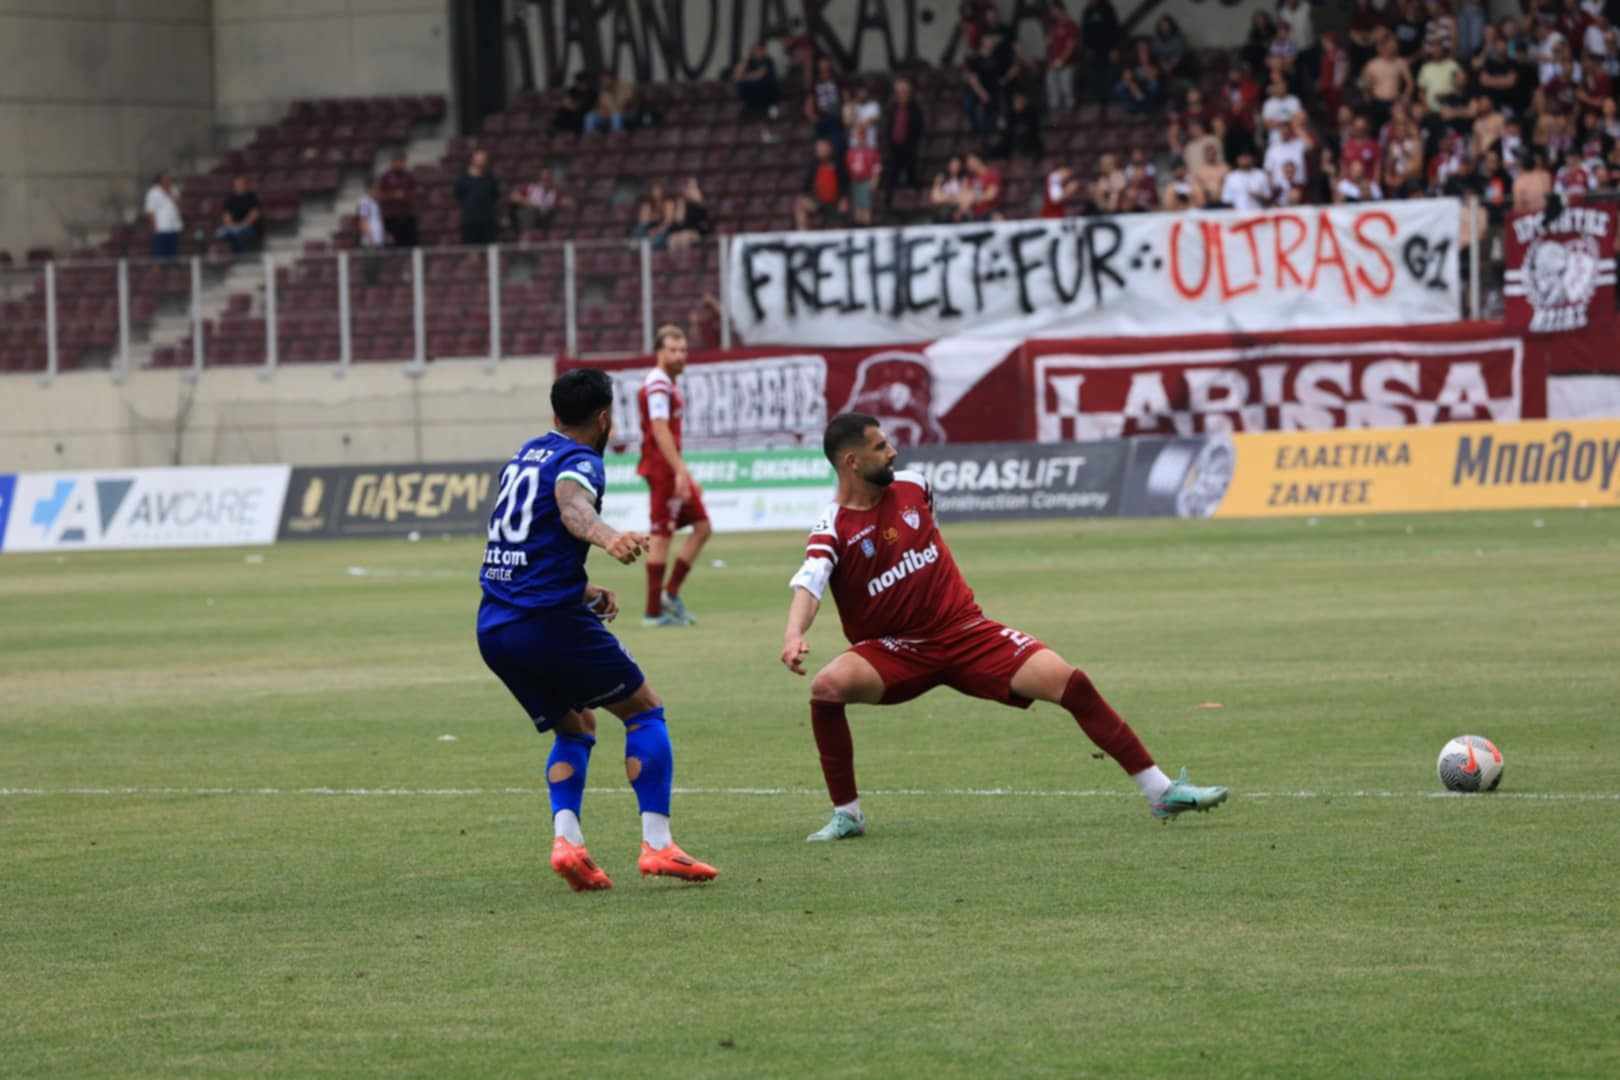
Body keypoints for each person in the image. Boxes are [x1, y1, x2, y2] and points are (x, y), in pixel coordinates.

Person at [779, 414, 1230, 842]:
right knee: (827, 688)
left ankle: (1161, 791)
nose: (893, 451)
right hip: (896, 650)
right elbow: (810, 583)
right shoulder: (833, 526)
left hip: (966, 632)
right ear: (851, 461)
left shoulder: (915, 487)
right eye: (880, 447)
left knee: (1069, 681)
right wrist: (794, 634)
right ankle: (848, 815)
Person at [476, 367, 718, 891]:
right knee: (644, 710)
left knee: (577, 726)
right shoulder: (581, 461)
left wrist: (584, 590)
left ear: (554, 413)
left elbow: (525, 541)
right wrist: (608, 538)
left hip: (495, 626)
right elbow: (572, 506)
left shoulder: (525, 454)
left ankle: (568, 842)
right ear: (605, 418)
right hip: (547, 621)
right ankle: (658, 844)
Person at [638, 325, 713, 628]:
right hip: (662, 469)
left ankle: (669, 594)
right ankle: (653, 612)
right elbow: (659, 429)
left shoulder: (668, 384)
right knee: (661, 536)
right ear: (660, 352)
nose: (680, 356)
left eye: (683, 350)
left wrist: (683, 472)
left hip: (670, 468)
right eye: (673, 350)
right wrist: (680, 471)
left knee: (702, 526)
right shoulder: (658, 384)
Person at [881, 77, 926, 208]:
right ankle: (888, 205)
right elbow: (887, 127)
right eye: (899, 91)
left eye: (904, 91)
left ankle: (917, 203)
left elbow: (919, 129)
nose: (902, 94)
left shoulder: (915, 109)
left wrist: (913, 145)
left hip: (910, 148)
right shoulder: (891, 108)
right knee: (890, 176)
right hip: (893, 148)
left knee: (913, 176)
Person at [796, 138, 850, 230]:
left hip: (835, 202)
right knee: (799, 203)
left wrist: (844, 198)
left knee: (843, 209)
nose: (820, 150)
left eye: (823, 148)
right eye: (818, 148)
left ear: (829, 149)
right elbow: (805, 186)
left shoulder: (838, 165)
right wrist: (805, 197)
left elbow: (845, 184)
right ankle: (803, 233)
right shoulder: (813, 166)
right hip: (819, 202)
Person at [455, 150, 500, 245]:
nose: (481, 161)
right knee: (471, 248)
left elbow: (495, 195)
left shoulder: (490, 178)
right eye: (479, 159)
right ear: (473, 160)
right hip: (470, 220)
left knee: (490, 247)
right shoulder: (462, 179)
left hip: (488, 220)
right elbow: (458, 195)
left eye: (484, 159)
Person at [1044, 2, 1081, 111]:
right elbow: (1049, 45)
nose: (1052, 13)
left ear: (1060, 9)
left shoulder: (1071, 25)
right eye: (1051, 11)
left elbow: (1071, 46)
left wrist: (1061, 60)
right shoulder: (1053, 26)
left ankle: (1070, 112)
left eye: (1054, 10)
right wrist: (1050, 61)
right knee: (1052, 88)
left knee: (1066, 89)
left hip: (1067, 64)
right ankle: (1055, 112)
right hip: (1052, 63)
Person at [377, 155, 418, 248]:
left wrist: (405, 196)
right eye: (396, 162)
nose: (399, 164)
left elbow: (415, 193)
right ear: (392, 163)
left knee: (410, 243)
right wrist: (393, 195)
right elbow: (380, 195)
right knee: (392, 245)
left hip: (407, 215)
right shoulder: (385, 177)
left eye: (401, 162)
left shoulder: (409, 176)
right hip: (390, 217)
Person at [845, 121, 882, 226]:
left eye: (861, 135)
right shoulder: (850, 152)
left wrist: (875, 179)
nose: (858, 138)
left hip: (866, 180)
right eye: (856, 135)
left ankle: (867, 225)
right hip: (854, 181)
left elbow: (877, 166)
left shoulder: (871, 150)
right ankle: (858, 226)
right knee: (857, 206)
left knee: (866, 206)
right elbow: (848, 167)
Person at [734, 42, 782, 120]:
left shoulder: (768, 61)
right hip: (753, 93)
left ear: (764, 51)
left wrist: (743, 77)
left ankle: (772, 110)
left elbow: (758, 75)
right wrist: (745, 58)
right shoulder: (750, 61)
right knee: (740, 85)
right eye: (754, 49)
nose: (756, 52)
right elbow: (736, 76)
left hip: (767, 92)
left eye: (759, 49)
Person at [215, 175, 260, 255]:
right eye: (237, 184)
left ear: (245, 185)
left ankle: (241, 256)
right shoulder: (230, 198)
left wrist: (242, 225)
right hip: (232, 226)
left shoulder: (252, 197)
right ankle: (232, 255)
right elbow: (226, 215)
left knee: (239, 234)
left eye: (241, 184)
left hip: (248, 226)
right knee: (220, 233)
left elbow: (254, 214)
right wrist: (232, 226)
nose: (239, 186)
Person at [509, 168, 560, 235]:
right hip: (530, 218)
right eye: (543, 179)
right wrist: (529, 203)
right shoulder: (532, 188)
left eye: (548, 179)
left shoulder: (555, 192)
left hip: (547, 220)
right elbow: (513, 196)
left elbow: (563, 203)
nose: (546, 181)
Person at [144, 173, 182, 259]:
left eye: (169, 179)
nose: (168, 181)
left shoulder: (174, 190)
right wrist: (154, 227)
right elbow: (150, 211)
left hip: (174, 228)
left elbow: (179, 206)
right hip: (161, 229)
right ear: (160, 181)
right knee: (159, 256)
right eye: (165, 179)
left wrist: (170, 194)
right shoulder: (153, 192)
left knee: (173, 256)